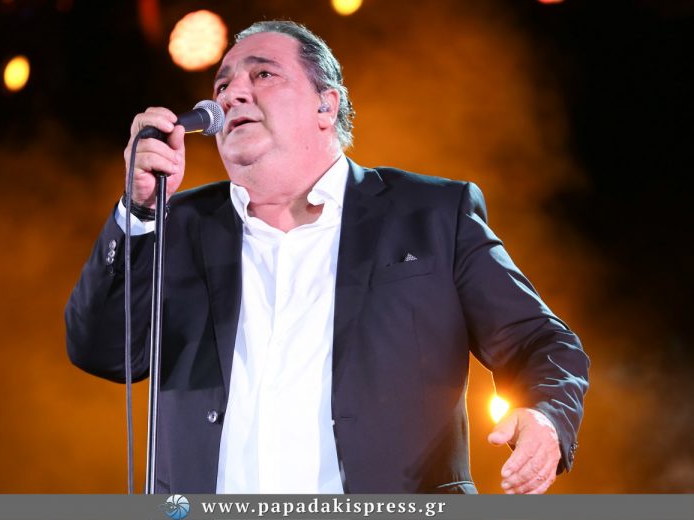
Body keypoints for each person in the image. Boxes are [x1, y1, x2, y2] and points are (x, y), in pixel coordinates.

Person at [65, 20, 589, 494]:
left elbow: (539, 342)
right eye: (222, 85)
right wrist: (138, 213)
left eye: (263, 74)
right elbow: (102, 351)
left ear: (326, 105)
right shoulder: (175, 225)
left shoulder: (429, 215)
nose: (231, 94)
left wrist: (545, 419)